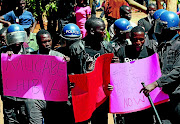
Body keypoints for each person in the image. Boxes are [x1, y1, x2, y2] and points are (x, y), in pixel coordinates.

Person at [69, 17, 114, 124]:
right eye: (102, 29)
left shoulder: (107, 47)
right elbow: (71, 70)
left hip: (100, 95)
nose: (104, 32)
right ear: (92, 31)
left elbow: (111, 70)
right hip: (83, 94)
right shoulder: (76, 48)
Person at [140, 11, 180, 124]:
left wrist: (155, 84)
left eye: (160, 26)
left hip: (177, 96)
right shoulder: (163, 44)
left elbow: (177, 71)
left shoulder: (178, 45)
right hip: (163, 94)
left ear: (168, 29)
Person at [2, 24, 29, 124]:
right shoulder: (3, 53)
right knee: (10, 120)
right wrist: (5, 58)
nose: (17, 42)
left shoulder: (29, 54)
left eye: (19, 37)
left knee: (24, 117)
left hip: (24, 95)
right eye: (14, 38)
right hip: (9, 96)